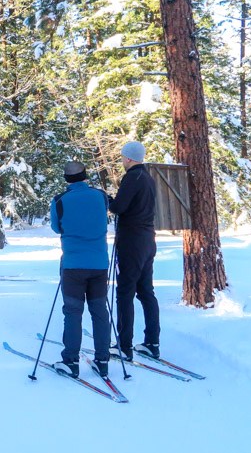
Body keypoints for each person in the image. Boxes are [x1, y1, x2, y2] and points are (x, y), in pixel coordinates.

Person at [49, 161, 111, 379]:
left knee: (73, 313)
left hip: (73, 265)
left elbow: (57, 228)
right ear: (85, 175)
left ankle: (71, 361)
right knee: (99, 311)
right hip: (99, 264)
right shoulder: (100, 196)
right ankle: (103, 360)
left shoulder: (59, 201)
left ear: (66, 179)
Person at [108, 140, 160, 361]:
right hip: (147, 239)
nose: (121, 161)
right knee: (146, 291)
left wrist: (107, 199)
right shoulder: (147, 178)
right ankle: (152, 342)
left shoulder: (132, 177)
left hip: (132, 241)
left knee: (125, 292)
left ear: (128, 158)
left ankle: (125, 344)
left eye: (122, 157)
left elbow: (119, 207)